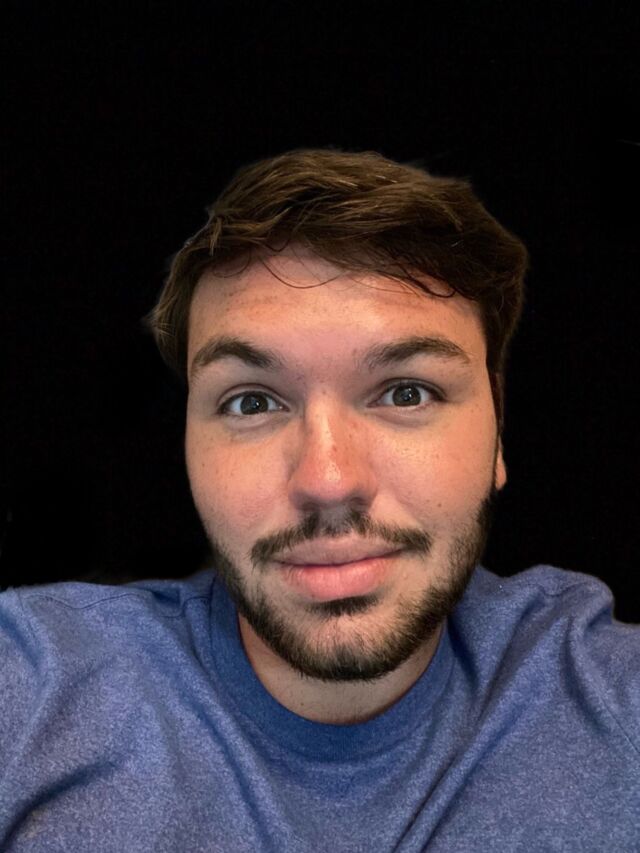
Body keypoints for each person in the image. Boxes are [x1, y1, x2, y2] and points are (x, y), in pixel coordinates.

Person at [1, 149, 638, 852]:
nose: (328, 481)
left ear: (498, 436)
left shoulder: (614, 699)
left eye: (407, 392)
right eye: (251, 402)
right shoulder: (30, 687)